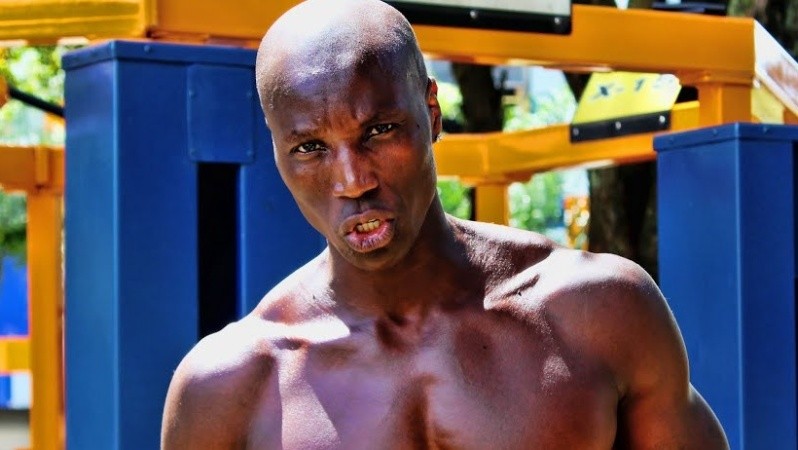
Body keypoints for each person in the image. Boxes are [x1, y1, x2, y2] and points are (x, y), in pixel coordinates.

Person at [161, 0, 728, 448]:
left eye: (379, 131)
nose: (353, 180)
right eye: (311, 147)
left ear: (431, 113)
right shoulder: (230, 386)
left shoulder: (596, 312)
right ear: (278, 153)